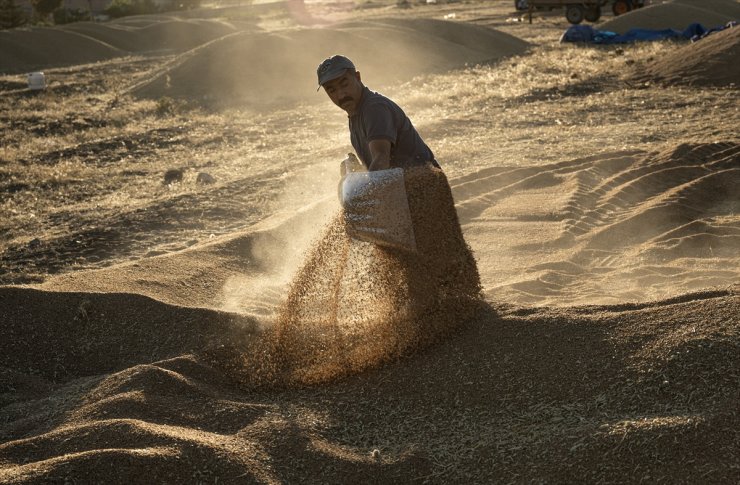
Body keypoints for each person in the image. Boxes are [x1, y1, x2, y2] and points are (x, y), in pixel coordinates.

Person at [317, 54, 481, 319]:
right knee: (414, 263)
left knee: (434, 259)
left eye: (344, 83)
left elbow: (381, 159)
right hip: (401, 193)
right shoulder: (356, 113)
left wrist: (365, 199)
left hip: (422, 188)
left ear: (357, 77)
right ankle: (439, 315)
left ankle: (448, 320)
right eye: (332, 90)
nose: (340, 94)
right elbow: (379, 164)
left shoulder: (374, 109)